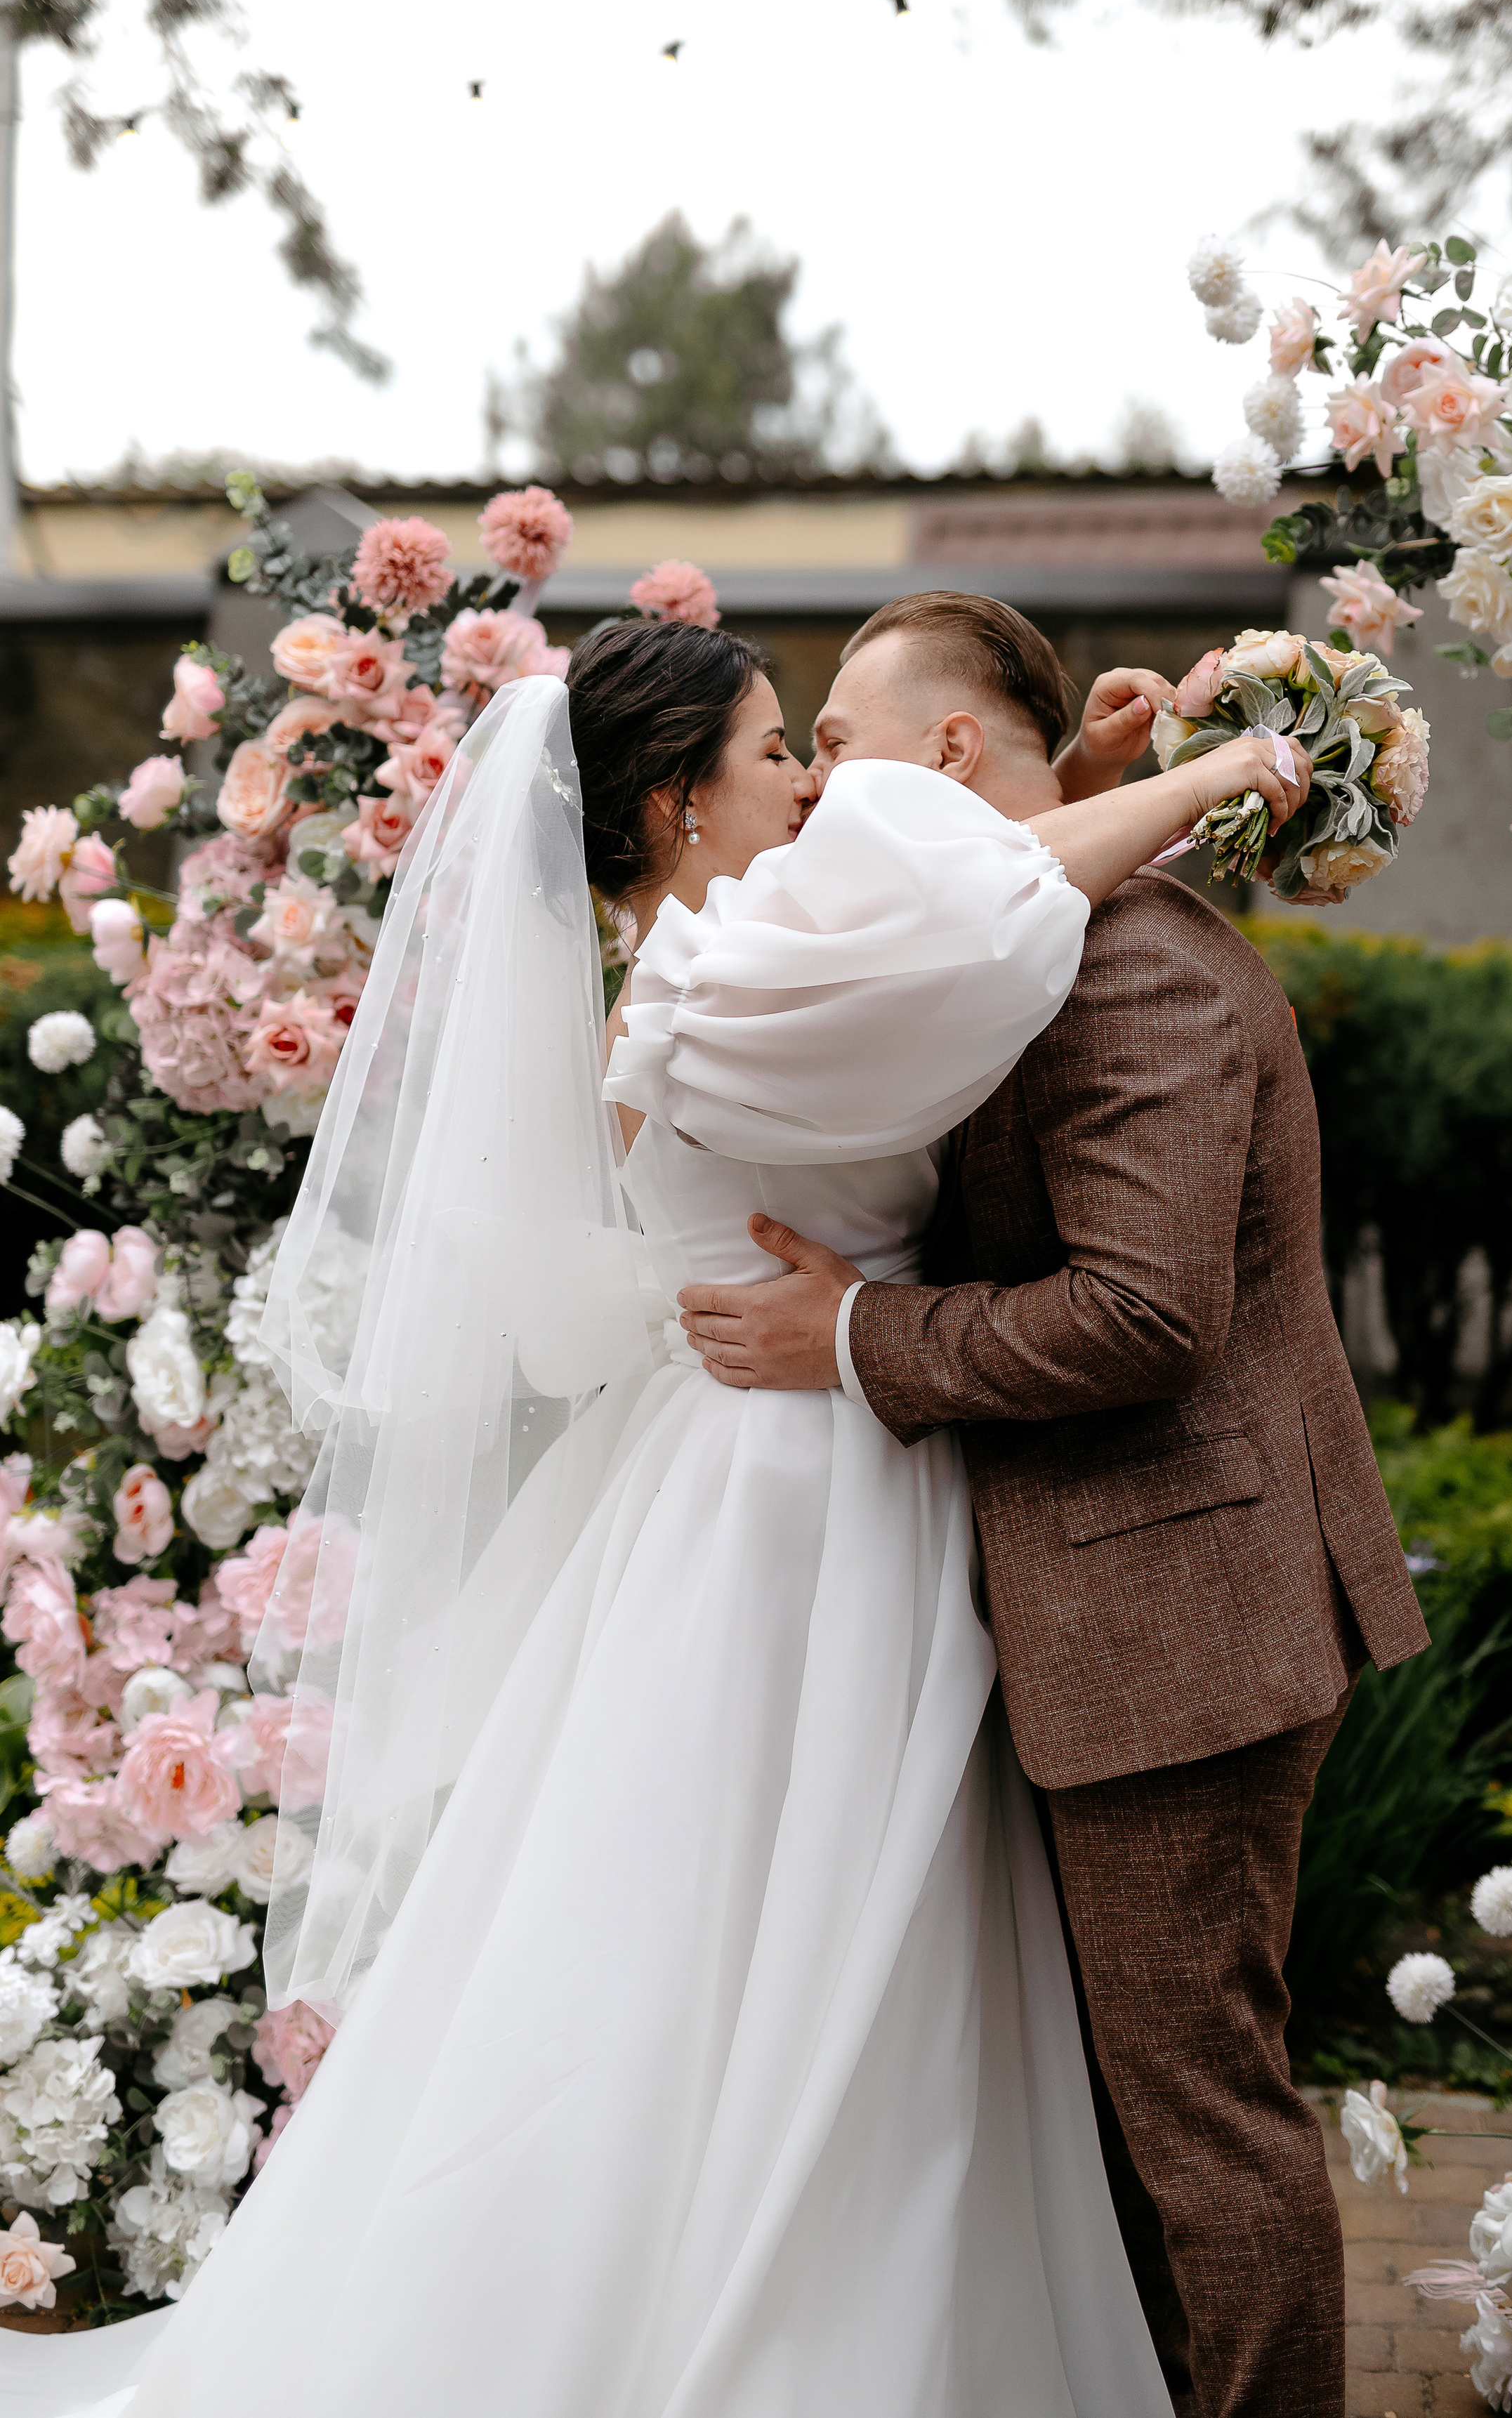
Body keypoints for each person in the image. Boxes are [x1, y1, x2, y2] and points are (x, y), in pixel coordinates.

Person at [0, 621, 1308, 2418]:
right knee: (782, 1934)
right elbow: (995, 911)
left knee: (788, 1936)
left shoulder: (732, 952)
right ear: (682, 802)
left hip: (785, 1458)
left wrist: (1080, 777)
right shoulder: (736, 968)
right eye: (779, 750)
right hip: (801, 1494)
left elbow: (971, 904)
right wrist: (1221, 775)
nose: (814, 781)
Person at [675, 593, 1431, 2418]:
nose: (815, 783)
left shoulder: (1127, 973)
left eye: (837, 740)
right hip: (1135, 1605)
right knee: (1124, 2118)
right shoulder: (1036, 934)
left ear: (943, 753)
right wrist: (1094, 777)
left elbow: (1146, 1317)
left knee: (1196, 2122)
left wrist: (849, 1335)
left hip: (1186, 1625)